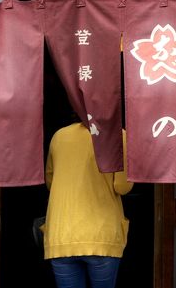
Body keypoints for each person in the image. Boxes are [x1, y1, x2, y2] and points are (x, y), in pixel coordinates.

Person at [42, 122, 133, 288]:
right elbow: (122, 187)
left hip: (62, 235)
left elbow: (50, 183)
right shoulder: (118, 135)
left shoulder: (59, 136)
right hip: (101, 235)